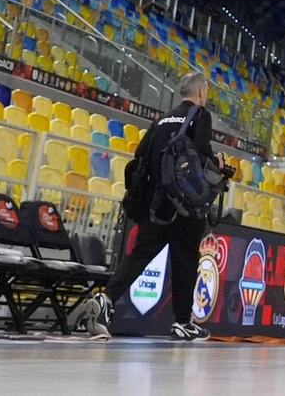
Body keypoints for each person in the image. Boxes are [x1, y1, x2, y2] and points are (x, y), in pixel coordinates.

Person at [69, 73, 226, 341]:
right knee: (185, 260)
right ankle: (182, 322)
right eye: (207, 92)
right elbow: (199, 155)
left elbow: (141, 154)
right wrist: (218, 164)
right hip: (184, 206)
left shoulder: (162, 119)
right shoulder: (200, 115)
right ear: (200, 93)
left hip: (155, 204)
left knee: (140, 255)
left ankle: (106, 298)